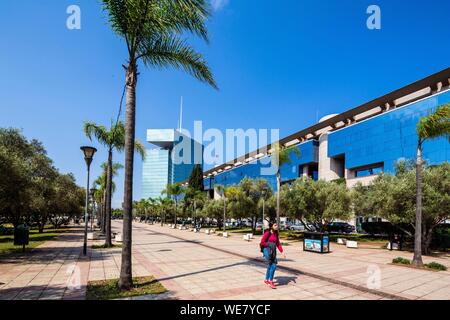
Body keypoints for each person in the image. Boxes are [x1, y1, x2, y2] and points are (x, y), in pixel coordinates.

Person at [260, 222, 286, 289]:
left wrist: (282, 252)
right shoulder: (267, 233)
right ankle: (271, 281)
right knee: (273, 266)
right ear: (271, 226)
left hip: (273, 251)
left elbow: (278, 244)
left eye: (277, 225)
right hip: (267, 251)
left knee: (270, 265)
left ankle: (266, 280)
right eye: (275, 225)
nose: (276, 226)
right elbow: (262, 242)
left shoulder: (275, 234)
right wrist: (270, 244)